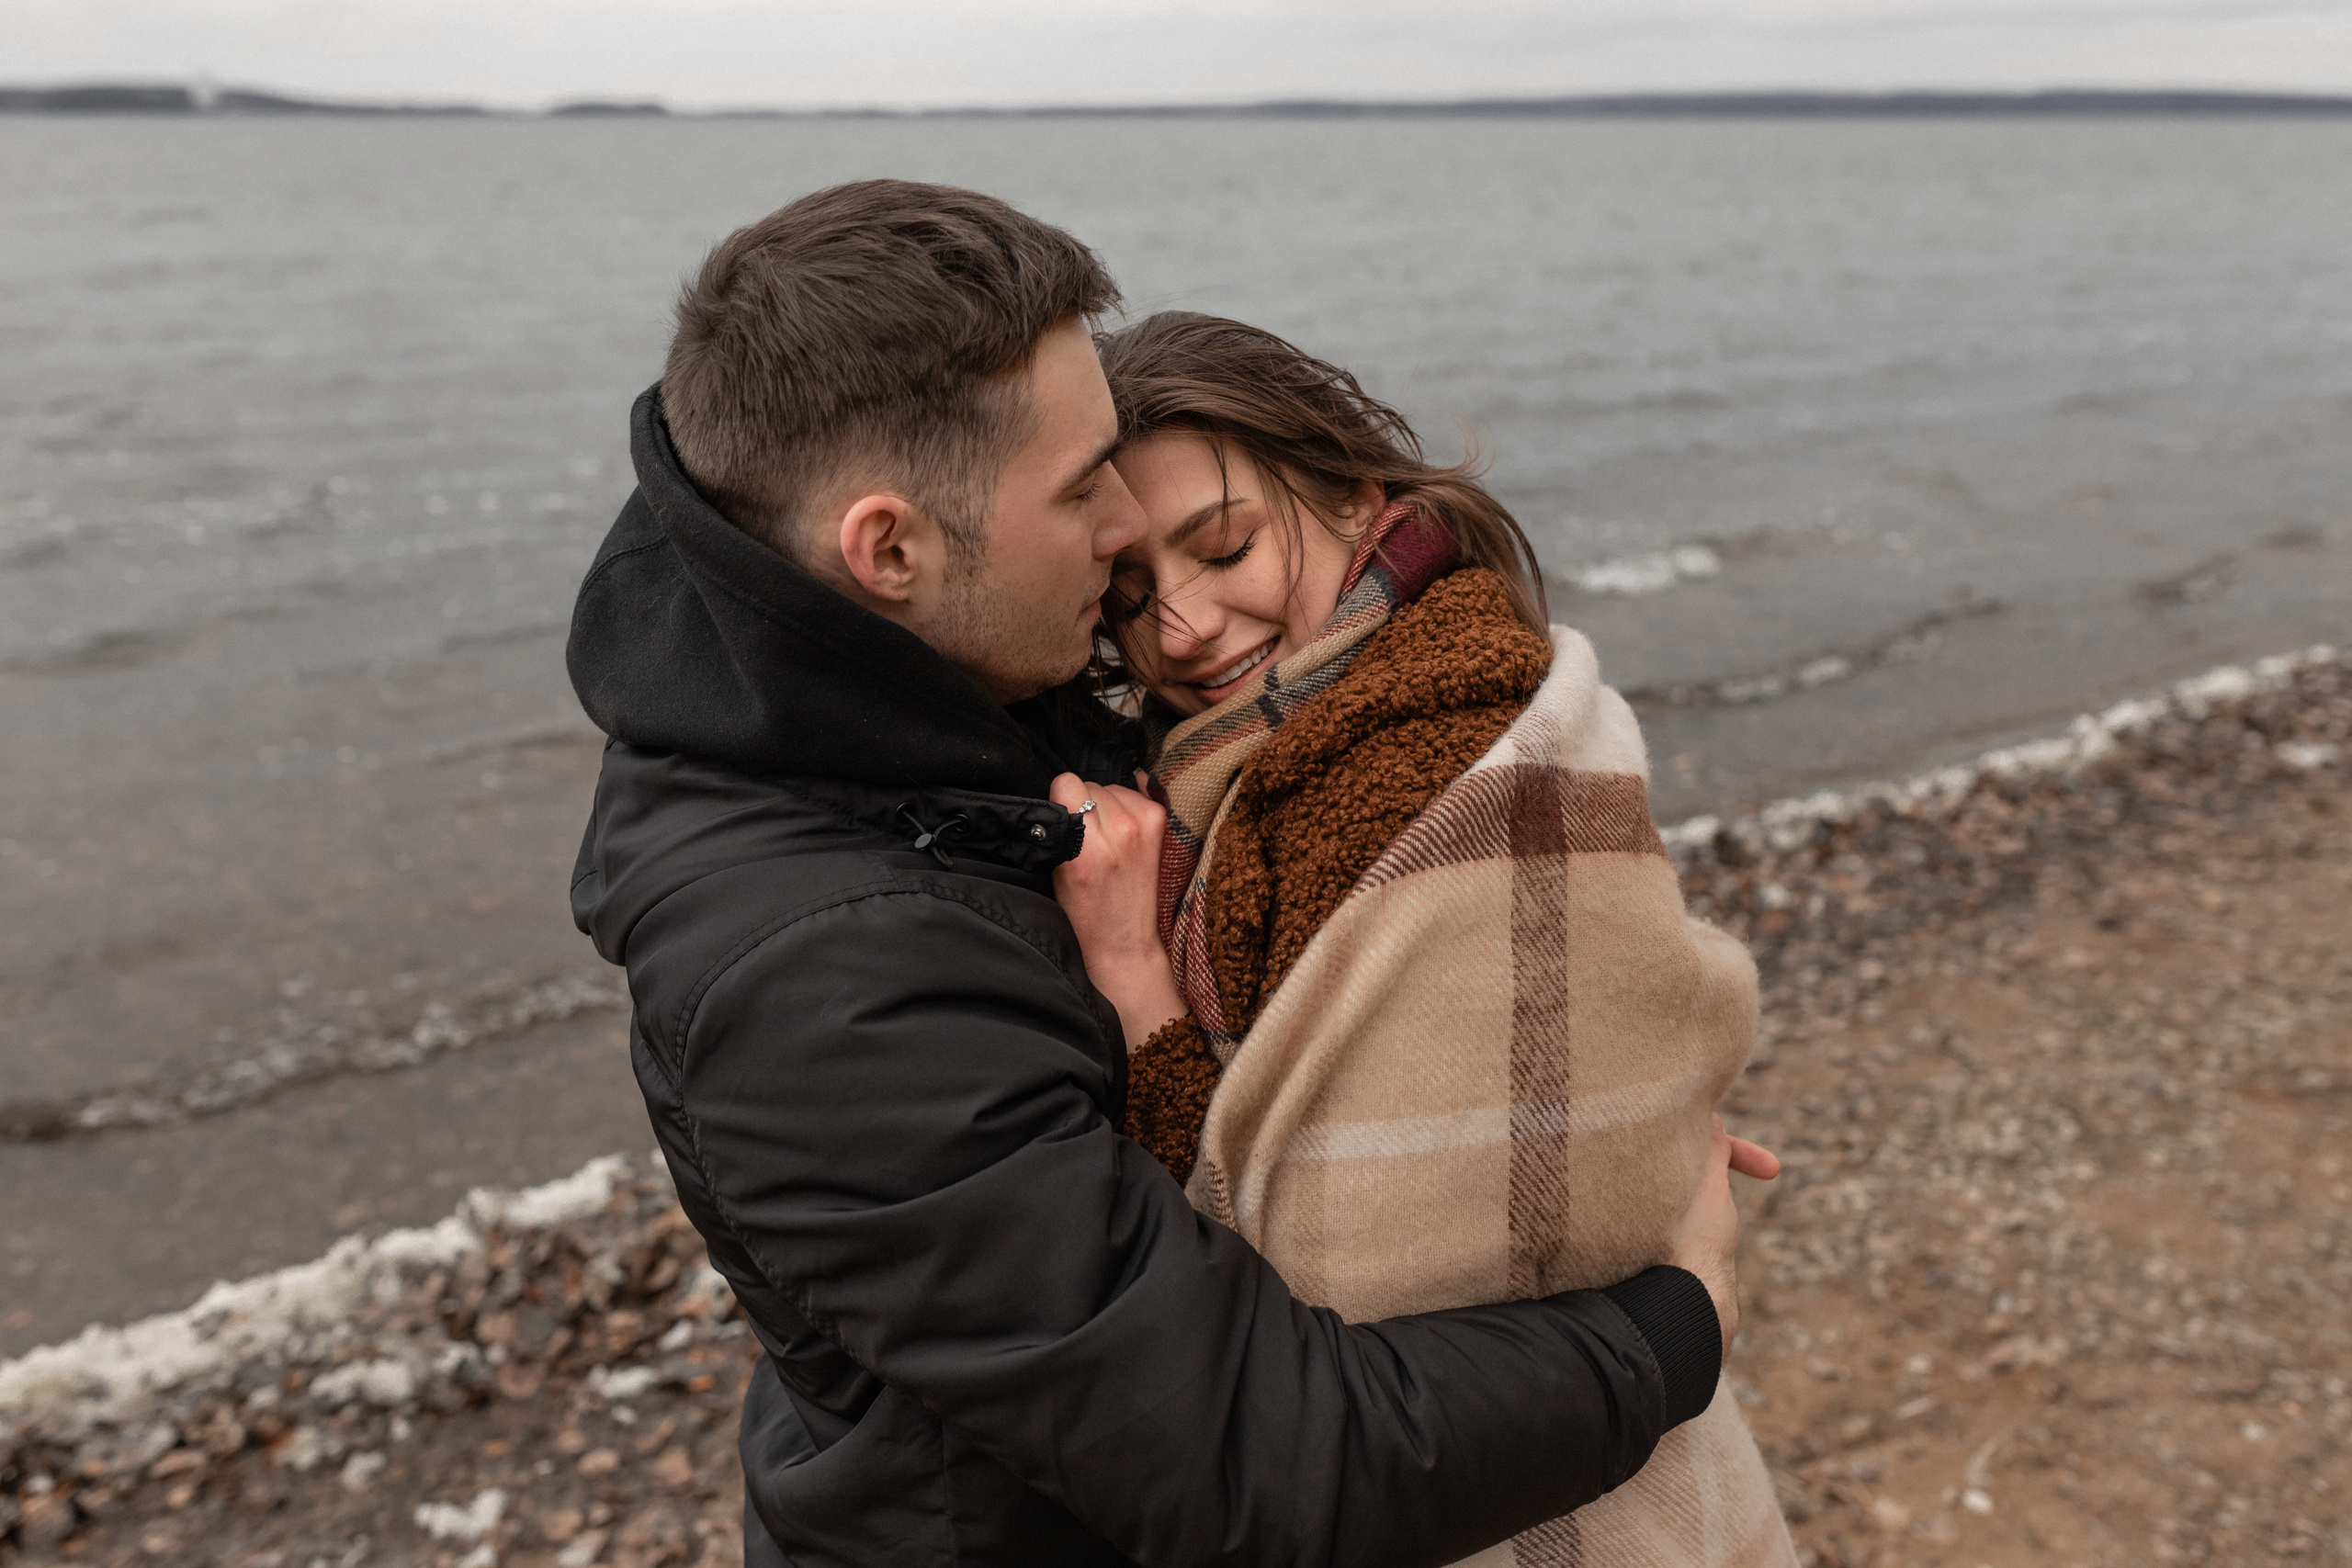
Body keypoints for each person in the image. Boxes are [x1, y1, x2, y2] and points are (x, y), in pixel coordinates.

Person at [568, 179, 1764, 1568]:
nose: (1130, 533)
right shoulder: (823, 984)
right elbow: (1265, 1463)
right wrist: (1675, 1318)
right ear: (887, 547)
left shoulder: (927, 674)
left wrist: (1558, 1124)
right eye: (1084, 491)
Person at [1053, 311, 1794, 1565]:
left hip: (1465, 1450)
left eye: (1225, 545)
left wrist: (1132, 979)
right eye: (1129, 594)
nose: (1180, 627)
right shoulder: (1295, 737)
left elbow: (1283, 1255)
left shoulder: (1410, 750)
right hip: (1539, 1404)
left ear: (1353, 492)